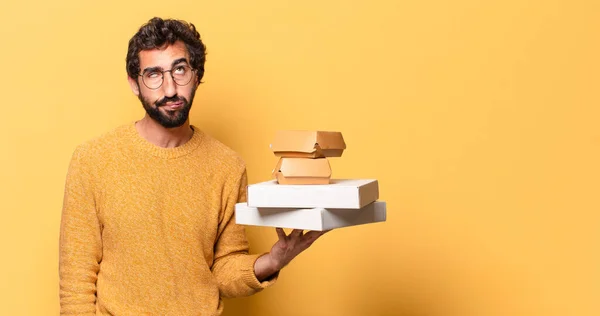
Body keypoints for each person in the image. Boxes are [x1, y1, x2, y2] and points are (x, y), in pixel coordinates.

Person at [59, 17, 327, 315]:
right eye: (153, 74)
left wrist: (272, 261)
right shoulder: (93, 159)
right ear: (134, 83)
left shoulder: (227, 166)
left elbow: (222, 271)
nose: (170, 88)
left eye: (179, 70)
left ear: (196, 75)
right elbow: (76, 280)